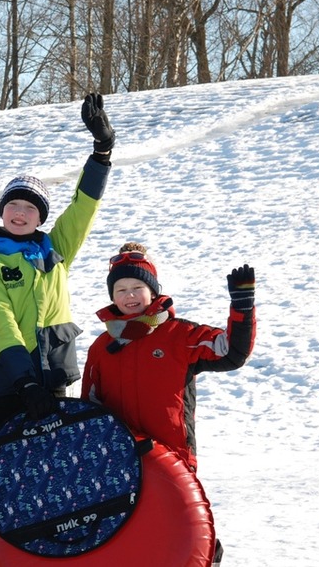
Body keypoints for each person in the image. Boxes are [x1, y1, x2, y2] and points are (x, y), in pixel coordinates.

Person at [81, 242, 255, 567]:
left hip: (173, 455)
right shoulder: (102, 347)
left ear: (152, 290)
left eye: (137, 287)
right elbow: (90, 407)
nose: (129, 295)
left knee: (187, 528)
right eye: (121, 289)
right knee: (132, 533)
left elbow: (232, 351)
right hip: (123, 460)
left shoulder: (179, 335)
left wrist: (242, 308)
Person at [0, 92, 115, 441]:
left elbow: (83, 208)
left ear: (41, 217)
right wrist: (25, 381)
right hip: (7, 385)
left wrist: (102, 152)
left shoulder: (56, 249)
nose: (20, 213)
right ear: (2, 212)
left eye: (30, 208)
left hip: (52, 381)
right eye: (13, 205)